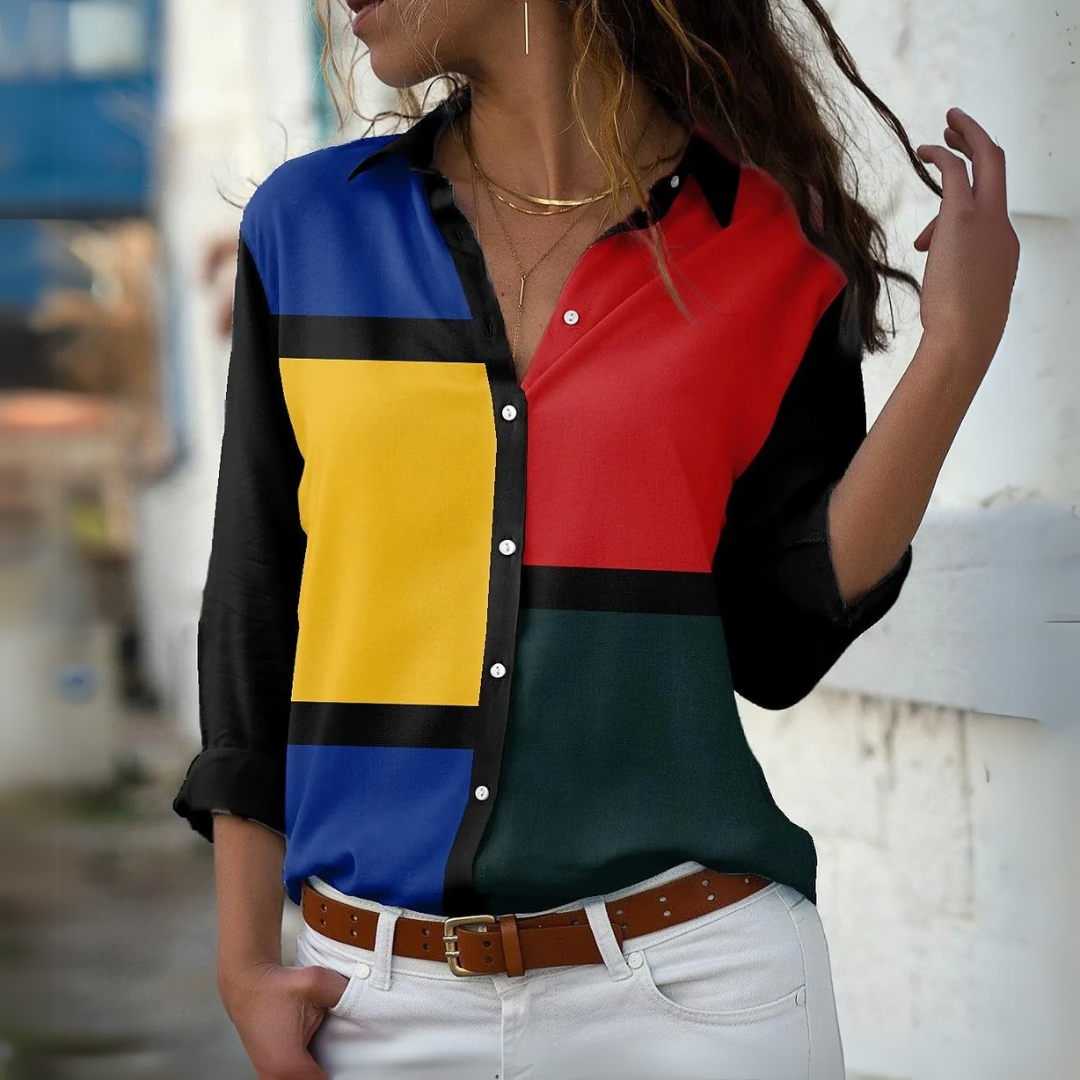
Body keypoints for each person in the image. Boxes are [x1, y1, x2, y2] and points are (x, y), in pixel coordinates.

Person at [172, 0, 1019, 1077]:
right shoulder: (310, 228)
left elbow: (778, 639)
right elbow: (254, 602)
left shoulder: (772, 241)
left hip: (697, 993)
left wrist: (954, 353)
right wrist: (244, 962)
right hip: (377, 1004)